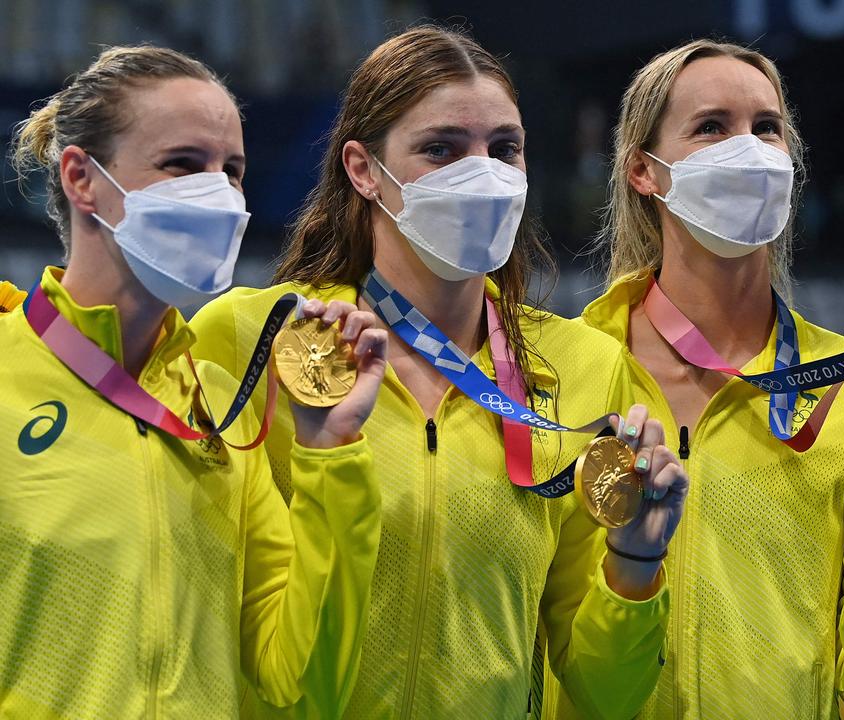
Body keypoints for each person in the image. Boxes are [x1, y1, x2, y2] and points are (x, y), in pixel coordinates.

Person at [190, 26, 688, 719]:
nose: (481, 174)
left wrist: (634, 566)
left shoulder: (585, 368)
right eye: (441, 149)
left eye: (503, 149)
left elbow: (607, 695)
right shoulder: (247, 338)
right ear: (363, 170)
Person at [545, 39, 844, 720]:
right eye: (712, 127)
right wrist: (633, 564)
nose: (751, 149)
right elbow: (588, 690)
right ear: (645, 171)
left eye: (767, 127)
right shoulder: (568, 376)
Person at [1, 45, 387, 717]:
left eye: (231, 170)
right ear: (81, 178)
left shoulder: (222, 406)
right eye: (182, 164)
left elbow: (304, 683)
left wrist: (333, 452)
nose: (219, 194)